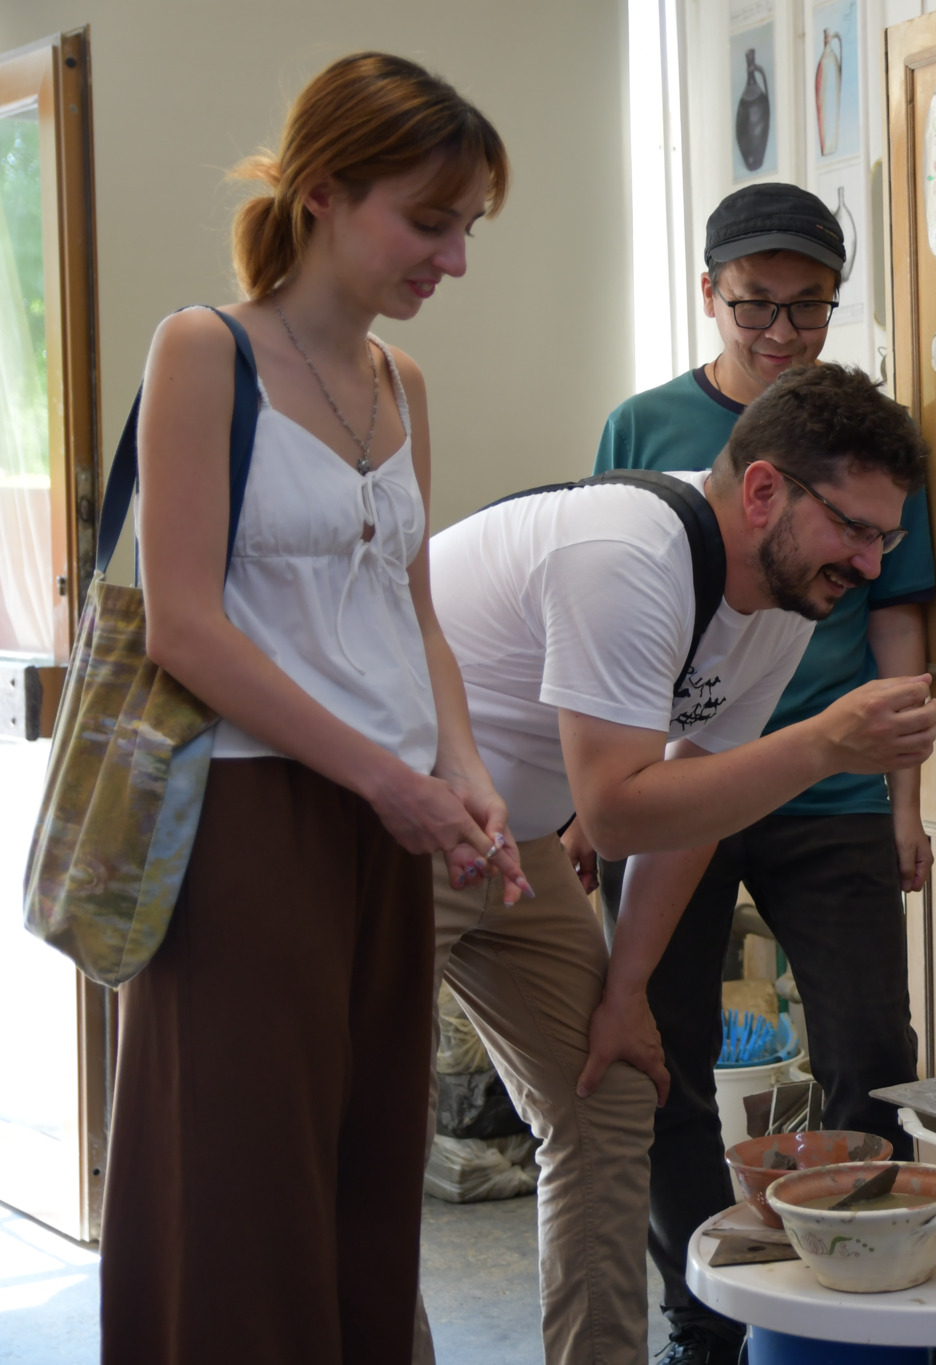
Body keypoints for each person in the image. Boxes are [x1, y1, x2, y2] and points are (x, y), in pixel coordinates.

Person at [101, 53, 526, 1363]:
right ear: (324, 193)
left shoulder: (402, 384)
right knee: (241, 1186)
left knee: (365, 1175)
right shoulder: (204, 350)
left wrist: (463, 769)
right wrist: (390, 779)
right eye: (429, 221)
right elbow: (184, 626)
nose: (454, 259)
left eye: (467, 227)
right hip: (246, 818)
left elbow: (415, 613)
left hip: (382, 827)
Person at [423, 360, 936, 1365]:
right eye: (854, 528)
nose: (872, 564)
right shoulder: (629, 554)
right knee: (360, 1129)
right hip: (392, 816)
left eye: (886, 537)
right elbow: (616, 812)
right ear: (763, 491)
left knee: (611, 1091)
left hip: (509, 839)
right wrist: (825, 744)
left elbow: (695, 801)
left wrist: (625, 993)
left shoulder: (782, 600)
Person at [574, 182, 935, 1365]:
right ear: (708, 296)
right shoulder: (643, 428)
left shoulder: (868, 441)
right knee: (658, 1057)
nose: (781, 331)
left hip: (829, 791)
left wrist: (905, 800)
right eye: (755, 305)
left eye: (809, 307)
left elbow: (894, 615)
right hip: (670, 783)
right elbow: (598, 625)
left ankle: (862, 1289)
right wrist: (587, 802)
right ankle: (706, 1317)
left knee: (872, 1053)